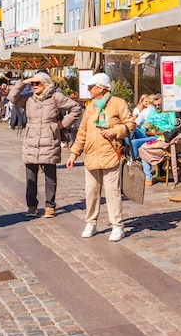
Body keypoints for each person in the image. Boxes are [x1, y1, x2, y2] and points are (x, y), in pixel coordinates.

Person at [68, 73, 135, 242]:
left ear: (102, 88)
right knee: (91, 192)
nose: (89, 89)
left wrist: (114, 131)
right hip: (91, 155)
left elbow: (131, 124)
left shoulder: (118, 103)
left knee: (112, 192)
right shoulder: (90, 107)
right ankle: (91, 222)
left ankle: (117, 225)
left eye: (92, 87)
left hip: (111, 154)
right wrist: (73, 154)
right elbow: (82, 133)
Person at [9, 72, 82, 218]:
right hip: (31, 141)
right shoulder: (28, 98)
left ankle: (50, 206)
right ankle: (32, 206)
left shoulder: (56, 97)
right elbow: (12, 97)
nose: (34, 86)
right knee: (31, 176)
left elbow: (76, 108)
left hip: (49, 140)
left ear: (46, 84)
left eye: (37, 83)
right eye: (33, 84)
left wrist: (61, 125)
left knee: (50, 176)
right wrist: (24, 82)